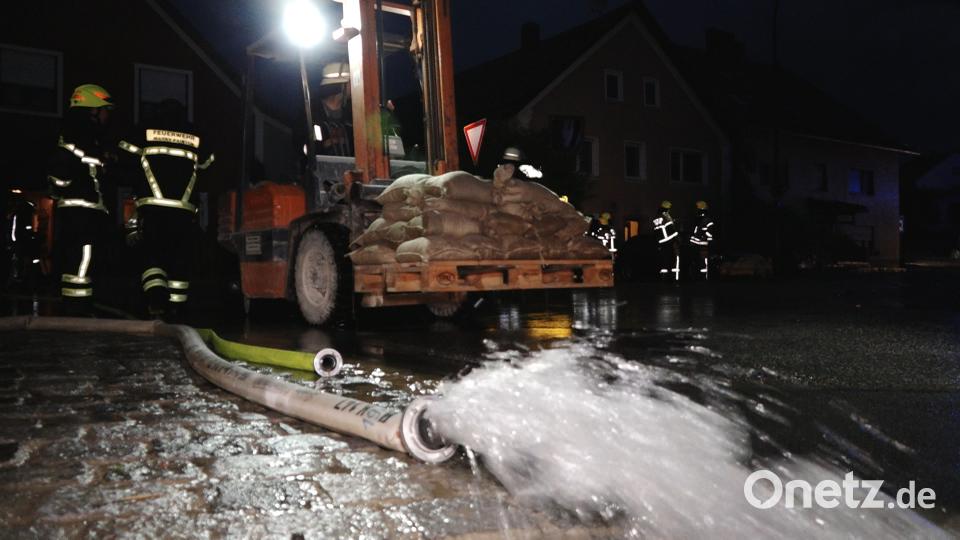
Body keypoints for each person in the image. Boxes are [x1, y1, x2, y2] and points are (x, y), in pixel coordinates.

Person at [117, 99, 214, 319]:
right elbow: (208, 162)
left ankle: (156, 299)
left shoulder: (144, 129)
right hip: (183, 210)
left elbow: (124, 153)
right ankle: (177, 308)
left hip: (153, 208)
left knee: (152, 255)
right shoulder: (194, 134)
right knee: (179, 258)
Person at [46, 84, 114, 314]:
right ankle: (77, 310)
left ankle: (75, 307)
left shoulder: (84, 135)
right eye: (105, 109)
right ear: (92, 110)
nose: (107, 115)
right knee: (82, 261)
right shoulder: (82, 136)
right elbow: (61, 170)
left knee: (77, 260)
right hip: (82, 211)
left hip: (80, 210)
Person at [314, 62, 353, 157]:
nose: (356, 86)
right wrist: (327, 144)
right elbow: (308, 146)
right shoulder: (313, 113)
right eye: (350, 83)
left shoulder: (353, 113)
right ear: (341, 86)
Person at [653, 200, 679, 281]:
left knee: (664, 260)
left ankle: (664, 277)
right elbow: (671, 229)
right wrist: (677, 238)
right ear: (667, 209)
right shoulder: (666, 216)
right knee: (671, 260)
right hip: (669, 242)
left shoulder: (657, 217)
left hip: (661, 242)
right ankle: (671, 278)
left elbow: (657, 230)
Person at [688, 200, 715, 279]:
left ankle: (705, 277)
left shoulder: (707, 220)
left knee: (704, 261)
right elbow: (696, 234)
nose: (696, 211)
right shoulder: (699, 221)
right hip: (698, 246)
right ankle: (700, 276)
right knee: (700, 261)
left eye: (697, 209)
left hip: (704, 245)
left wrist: (703, 237)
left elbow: (709, 233)